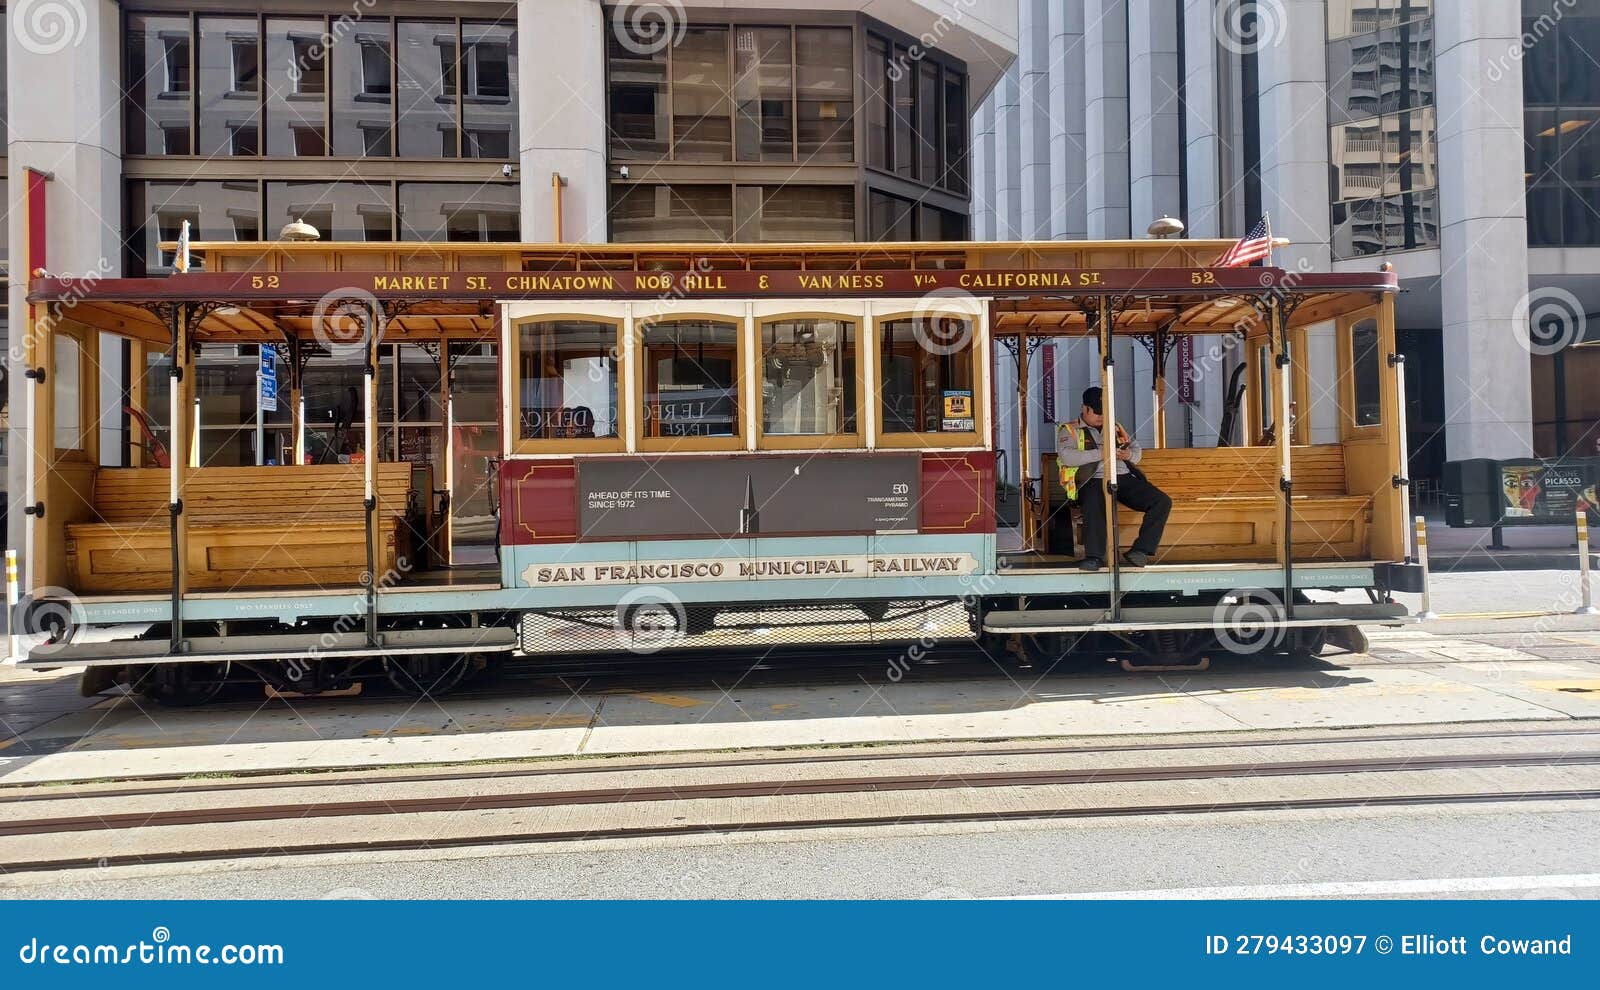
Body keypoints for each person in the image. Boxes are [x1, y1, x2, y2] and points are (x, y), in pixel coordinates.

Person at [1055, 386, 1172, 571]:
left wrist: (1128, 456)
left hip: (1122, 477)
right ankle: (1094, 557)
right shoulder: (1069, 430)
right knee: (1093, 502)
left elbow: (1136, 450)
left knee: (1161, 501)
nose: (1101, 417)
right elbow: (1068, 457)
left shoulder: (1115, 427)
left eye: (1104, 412)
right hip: (1092, 478)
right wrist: (1102, 453)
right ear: (1085, 409)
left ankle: (1140, 550)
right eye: (1097, 412)